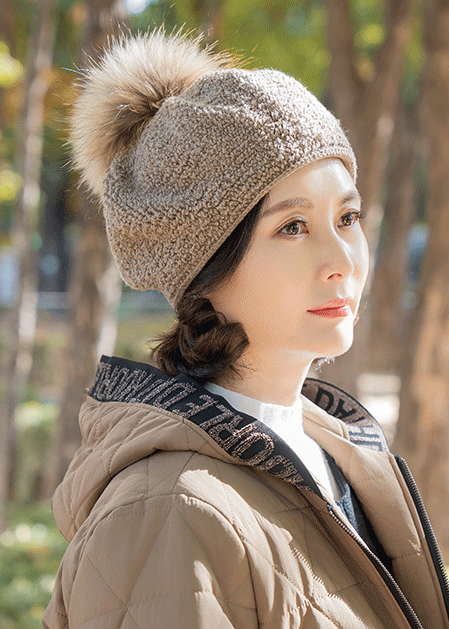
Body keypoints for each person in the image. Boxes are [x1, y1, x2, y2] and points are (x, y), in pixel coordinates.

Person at [43, 30, 449, 629]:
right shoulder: (170, 513)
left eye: (348, 216)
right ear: (207, 267)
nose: (342, 259)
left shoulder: (330, 452)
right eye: (292, 227)